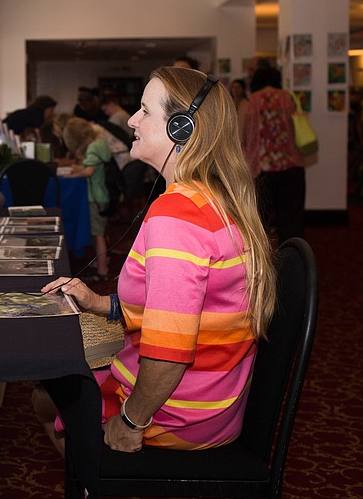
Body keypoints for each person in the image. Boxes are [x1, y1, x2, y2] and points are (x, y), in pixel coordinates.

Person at [33, 67, 276, 455]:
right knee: (57, 386)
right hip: (217, 399)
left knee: (45, 397)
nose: (132, 120)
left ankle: (96, 478)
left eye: (145, 111)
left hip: (179, 413)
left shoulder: (177, 216)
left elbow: (168, 351)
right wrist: (104, 304)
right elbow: (185, 305)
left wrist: (131, 421)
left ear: (181, 129)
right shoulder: (213, 198)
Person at [240, 65, 306, 243]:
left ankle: (263, 262)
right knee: (292, 220)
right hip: (291, 167)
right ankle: (294, 260)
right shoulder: (288, 98)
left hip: (261, 170)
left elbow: (240, 136)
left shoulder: (249, 102)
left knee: (259, 221)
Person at [62, 117, 112, 281]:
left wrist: (73, 175)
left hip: (95, 197)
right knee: (101, 233)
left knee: (97, 235)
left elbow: (89, 171)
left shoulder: (92, 147)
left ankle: (102, 271)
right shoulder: (100, 143)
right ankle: (102, 261)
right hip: (102, 195)